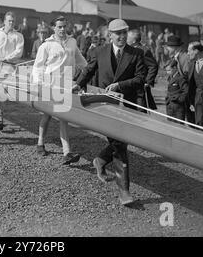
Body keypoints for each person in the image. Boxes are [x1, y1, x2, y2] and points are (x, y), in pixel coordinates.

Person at [74, 19, 146, 206]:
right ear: (110, 35)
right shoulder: (99, 51)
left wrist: (120, 85)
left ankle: (100, 159)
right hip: (106, 106)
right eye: (118, 33)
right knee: (120, 145)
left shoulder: (137, 53)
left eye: (124, 32)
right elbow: (89, 70)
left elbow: (140, 79)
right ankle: (124, 191)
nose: (122, 36)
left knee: (120, 141)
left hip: (126, 106)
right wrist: (77, 84)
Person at [32, 16, 87, 164]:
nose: (62, 29)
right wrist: (38, 84)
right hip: (50, 85)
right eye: (59, 27)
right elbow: (38, 67)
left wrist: (89, 71)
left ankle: (66, 152)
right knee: (47, 115)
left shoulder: (72, 42)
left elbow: (80, 59)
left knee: (64, 117)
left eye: (64, 26)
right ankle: (40, 143)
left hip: (67, 84)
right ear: (53, 28)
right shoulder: (46, 45)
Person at [165, 35, 194, 123]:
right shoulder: (173, 57)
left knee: (191, 119)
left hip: (186, 93)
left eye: (168, 46)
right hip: (177, 95)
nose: (167, 48)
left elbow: (188, 75)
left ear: (174, 47)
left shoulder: (185, 57)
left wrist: (183, 96)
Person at [127, 29, 158, 110]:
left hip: (140, 87)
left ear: (133, 40)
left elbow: (153, 66)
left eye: (127, 37)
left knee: (140, 110)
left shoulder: (143, 50)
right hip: (130, 85)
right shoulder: (128, 50)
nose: (126, 39)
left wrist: (148, 81)